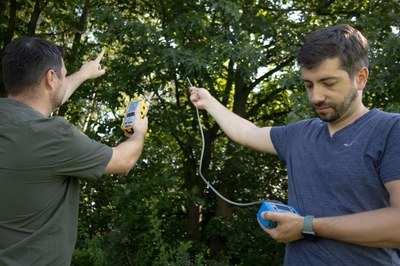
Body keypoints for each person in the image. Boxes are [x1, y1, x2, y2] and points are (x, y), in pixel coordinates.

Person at [189, 24, 400, 265]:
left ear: (360, 78)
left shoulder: (391, 130)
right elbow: (247, 132)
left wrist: (308, 226)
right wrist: (209, 102)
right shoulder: (300, 134)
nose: (315, 97)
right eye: (309, 85)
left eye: (328, 83)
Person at [0, 37, 148, 265]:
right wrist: (139, 132)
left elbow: (44, 102)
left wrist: (82, 73)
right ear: (50, 78)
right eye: (62, 73)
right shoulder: (54, 136)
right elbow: (124, 161)